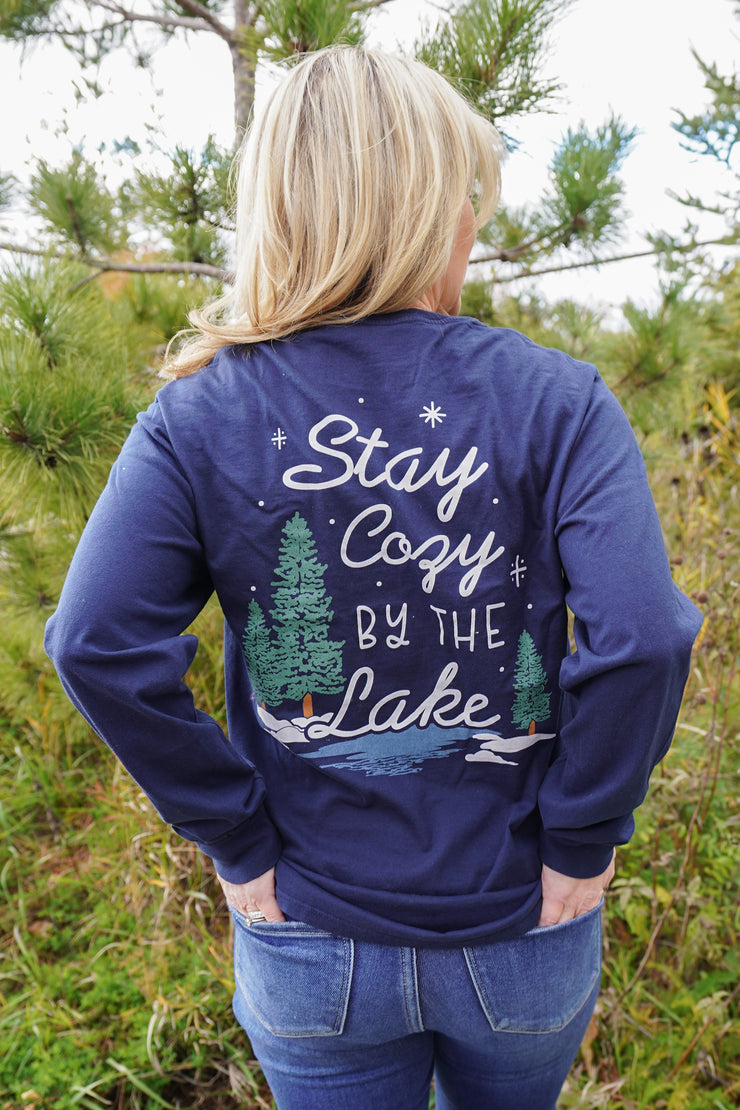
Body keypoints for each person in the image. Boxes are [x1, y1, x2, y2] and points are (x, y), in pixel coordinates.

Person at [44, 45, 702, 1110]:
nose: (474, 225)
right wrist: (581, 840)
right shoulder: (558, 401)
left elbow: (93, 643)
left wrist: (236, 840)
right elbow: (644, 634)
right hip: (523, 928)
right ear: (432, 208)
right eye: (469, 196)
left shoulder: (202, 412)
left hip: (307, 933)